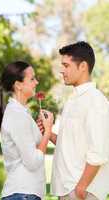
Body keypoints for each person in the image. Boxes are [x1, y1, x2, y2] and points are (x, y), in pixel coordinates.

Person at [37, 41, 109, 200]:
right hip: (67, 189)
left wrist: (81, 188)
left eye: (66, 65)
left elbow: (98, 151)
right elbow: (70, 144)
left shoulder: (96, 101)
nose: (61, 70)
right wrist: (48, 133)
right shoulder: (72, 100)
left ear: (83, 66)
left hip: (81, 191)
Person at [0, 61, 53, 200]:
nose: (36, 82)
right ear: (18, 85)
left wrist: (39, 132)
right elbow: (33, 162)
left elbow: (28, 149)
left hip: (24, 193)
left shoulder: (21, 113)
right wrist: (47, 131)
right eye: (32, 78)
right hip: (23, 193)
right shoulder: (17, 115)